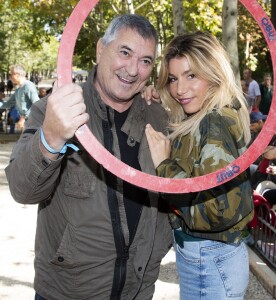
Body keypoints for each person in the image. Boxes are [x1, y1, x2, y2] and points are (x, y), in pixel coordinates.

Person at [5, 14, 172, 300]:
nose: (133, 70)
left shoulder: (158, 116)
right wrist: (52, 138)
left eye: (145, 61)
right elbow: (22, 189)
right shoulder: (55, 109)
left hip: (138, 290)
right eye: (125, 52)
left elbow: (176, 192)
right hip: (68, 291)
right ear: (99, 49)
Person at [145, 31, 254, 300]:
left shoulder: (214, 122)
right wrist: (151, 94)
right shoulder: (207, 114)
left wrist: (164, 165)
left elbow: (217, 211)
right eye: (173, 79)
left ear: (214, 73)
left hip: (211, 259)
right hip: (208, 257)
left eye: (191, 75)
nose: (180, 89)